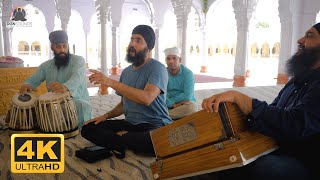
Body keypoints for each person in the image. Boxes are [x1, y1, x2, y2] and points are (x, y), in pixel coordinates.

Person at [201, 22, 320, 180]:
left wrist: (244, 100)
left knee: (265, 167)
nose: (300, 40)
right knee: (224, 154)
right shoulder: (295, 82)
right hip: (276, 147)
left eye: (309, 36)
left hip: (305, 161)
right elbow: (274, 111)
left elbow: (296, 124)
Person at [81, 25, 172, 156]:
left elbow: (147, 98)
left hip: (154, 124)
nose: (132, 44)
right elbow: (124, 104)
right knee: (88, 128)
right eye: (131, 39)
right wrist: (105, 116)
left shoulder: (158, 68)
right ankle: (124, 140)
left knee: (156, 141)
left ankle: (121, 140)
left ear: (149, 47)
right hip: (130, 123)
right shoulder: (127, 72)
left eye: (138, 40)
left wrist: (110, 82)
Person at [19, 30, 92, 127]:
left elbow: (77, 77)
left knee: (83, 106)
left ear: (68, 46)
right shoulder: (46, 65)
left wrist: (65, 87)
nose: (62, 50)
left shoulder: (78, 61)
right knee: (37, 109)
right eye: (58, 46)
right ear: (52, 47)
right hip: (55, 104)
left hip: (75, 101)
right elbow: (33, 80)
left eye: (64, 46)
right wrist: (27, 85)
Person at [164, 47, 198, 120]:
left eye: (174, 58)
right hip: (168, 104)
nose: (171, 61)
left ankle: (163, 116)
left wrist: (173, 102)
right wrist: (172, 104)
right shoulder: (163, 73)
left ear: (180, 60)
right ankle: (170, 115)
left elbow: (187, 96)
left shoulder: (188, 74)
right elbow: (162, 93)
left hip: (185, 104)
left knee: (192, 107)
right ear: (165, 61)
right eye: (168, 59)